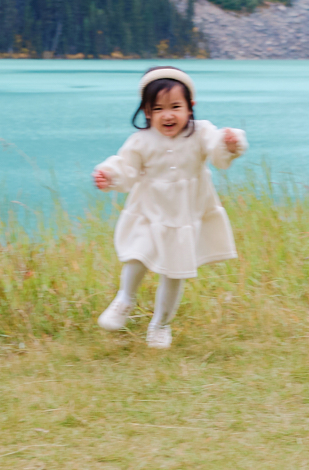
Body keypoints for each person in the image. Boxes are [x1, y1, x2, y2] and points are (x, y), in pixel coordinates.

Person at [90, 65, 247, 349]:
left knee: (175, 273)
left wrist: (230, 142)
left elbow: (217, 148)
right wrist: (108, 175)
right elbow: (126, 168)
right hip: (148, 213)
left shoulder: (200, 132)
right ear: (147, 112)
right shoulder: (141, 140)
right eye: (158, 108)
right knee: (136, 257)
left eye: (176, 106)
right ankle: (125, 299)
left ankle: (160, 324)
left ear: (190, 107)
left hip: (184, 217)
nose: (168, 115)